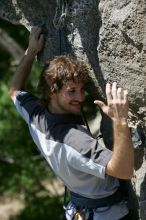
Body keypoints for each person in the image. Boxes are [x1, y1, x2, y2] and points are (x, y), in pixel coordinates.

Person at [9, 27, 134, 220]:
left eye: (82, 89)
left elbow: (14, 90)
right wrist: (120, 121)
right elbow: (123, 170)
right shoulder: (74, 141)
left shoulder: (37, 116)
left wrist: (31, 51)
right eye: (71, 90)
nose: (81, 97)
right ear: (52, 91)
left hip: (78, 208)